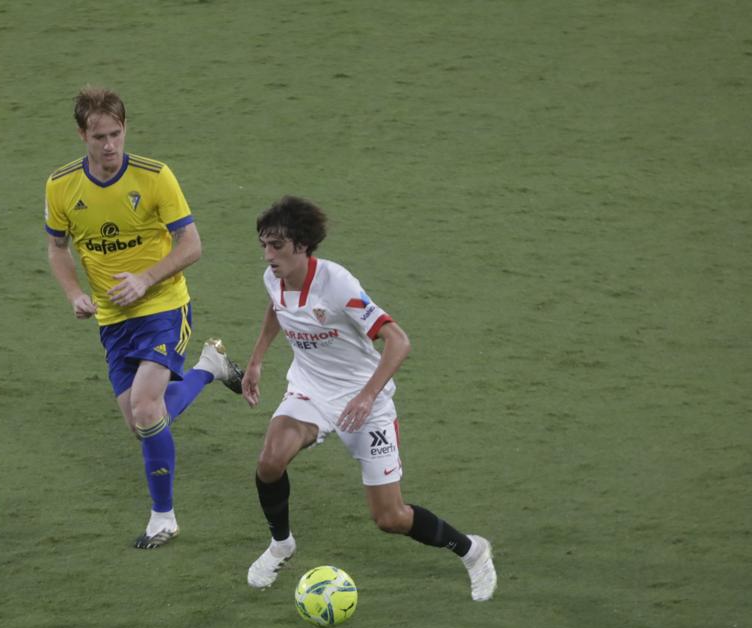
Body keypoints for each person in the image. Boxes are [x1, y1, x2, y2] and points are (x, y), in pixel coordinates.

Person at [239, 196, 497, 601]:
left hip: (366, 402)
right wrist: (256, 361)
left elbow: (398, 342)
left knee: (390, 518)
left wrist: (365, 396)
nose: (268, 256)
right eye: (264, 246)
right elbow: (277, 308)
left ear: (302, 246)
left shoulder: (337, 284)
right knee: (270, 462)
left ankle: (472, 550)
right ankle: (281, 544)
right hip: (310, 390)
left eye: (277, 246)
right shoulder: (274, 278)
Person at [44, 86, 243, 549]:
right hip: (112, 318)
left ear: (125, 128)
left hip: (163, 306)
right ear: (81, 134)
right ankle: (208, 369)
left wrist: (146, 278)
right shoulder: (61, 185)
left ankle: (164, 517)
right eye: (99, 137)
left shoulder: (155, 177)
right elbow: (57, 248)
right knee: (141, 424)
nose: (110, 145)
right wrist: (74, 292)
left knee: (147, 406)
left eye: (116, 133)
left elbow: (192, 245)